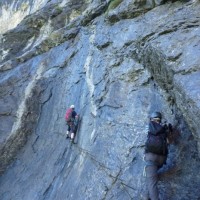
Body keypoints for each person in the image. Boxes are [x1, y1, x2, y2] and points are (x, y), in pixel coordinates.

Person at [144, 111, 173, 200]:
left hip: (150, 158)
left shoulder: (148, 128)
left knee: (151, 183)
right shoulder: (163, 128)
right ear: (159, 120)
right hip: (162, 159)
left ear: (151, 119)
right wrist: (169, 131)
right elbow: (169, 142)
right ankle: (147, 197)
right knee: (153, 177)